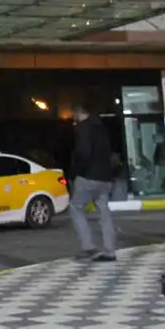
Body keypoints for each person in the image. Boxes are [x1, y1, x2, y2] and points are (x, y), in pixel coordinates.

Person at [68, 104, 116, 262]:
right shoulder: (101, 128)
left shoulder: (83, 129)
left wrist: (76, 172)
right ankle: (110, 251)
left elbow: (83, 153)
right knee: (104, 212)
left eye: (74, 114)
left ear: (79, 112)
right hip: (105, 177)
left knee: (76, 208)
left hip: (88, 176)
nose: (73, 118)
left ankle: (88, 247)